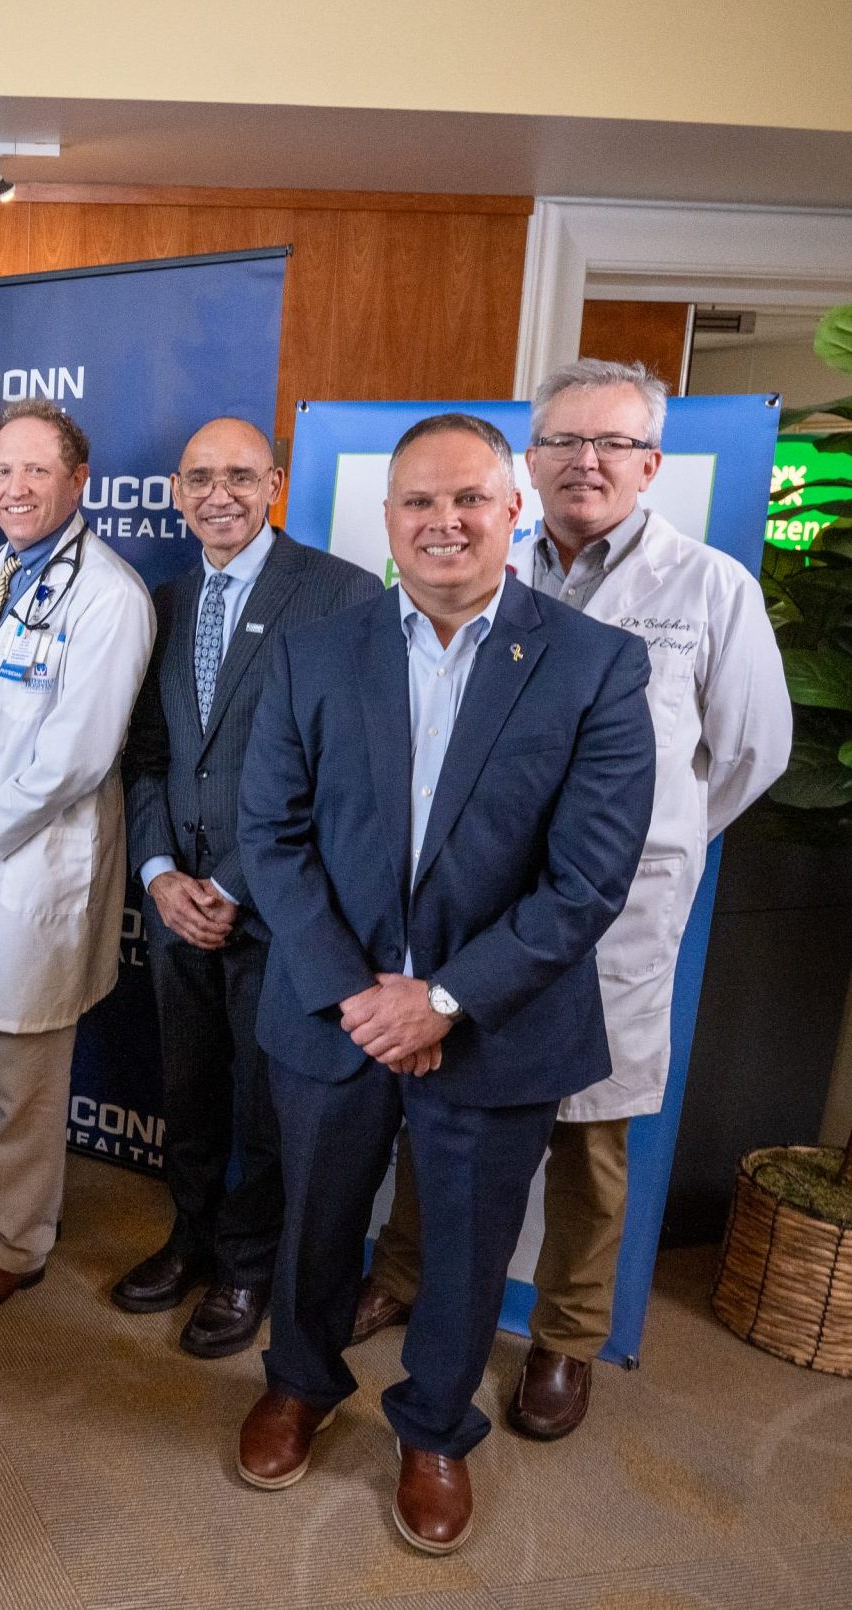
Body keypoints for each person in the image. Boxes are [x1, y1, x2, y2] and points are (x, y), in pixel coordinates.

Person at [234, 413, 653, 1556]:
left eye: (469, 497)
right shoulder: (314, 650)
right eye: (419, 501)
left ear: (514, 508)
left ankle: (432, 1428)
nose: (445, 521)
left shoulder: (595, 662)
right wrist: (360, 993)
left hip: (496, 1023)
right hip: (335, 1013)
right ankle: (300, 1382)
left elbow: (588, 877)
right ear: (388, 520)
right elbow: (269, 836)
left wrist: (446, 999)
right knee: (315, 1219)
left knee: (468, 1246)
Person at [359, 361, 791, 1435]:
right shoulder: (483, 563)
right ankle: (405, 1274)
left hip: (615, 924)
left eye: (610, 444)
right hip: (472, 919)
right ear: (527, 464)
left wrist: (649, 848)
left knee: (592, 1145)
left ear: (652, 464)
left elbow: (748, 753)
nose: (584, 462)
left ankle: (565, 1338)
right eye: (560, 441)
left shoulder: (709, 589)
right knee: (440, 1107)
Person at [113, 419, 382, 1354]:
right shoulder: (164, 600)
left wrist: (228, 882)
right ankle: (188, 1239)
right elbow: (145, 757)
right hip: (174, 901)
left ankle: (245, 1267)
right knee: (187, 1089)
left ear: (273, 481)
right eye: (197, 478)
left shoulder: (340, 595)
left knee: (264, 1104)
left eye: (237, 476)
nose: (216, 494)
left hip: (281, 907)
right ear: (176, 493)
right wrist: (157, 875)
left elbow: (340, 769)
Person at [0, 400, 155, 1312]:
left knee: (22, 1067)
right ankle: (6, 1200)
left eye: (35, 472)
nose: (14, 489)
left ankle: (16, 1245)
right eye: (0, 473)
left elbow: (76, 754)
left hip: (31, 863)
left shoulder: (108, 595)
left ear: (78, 481)